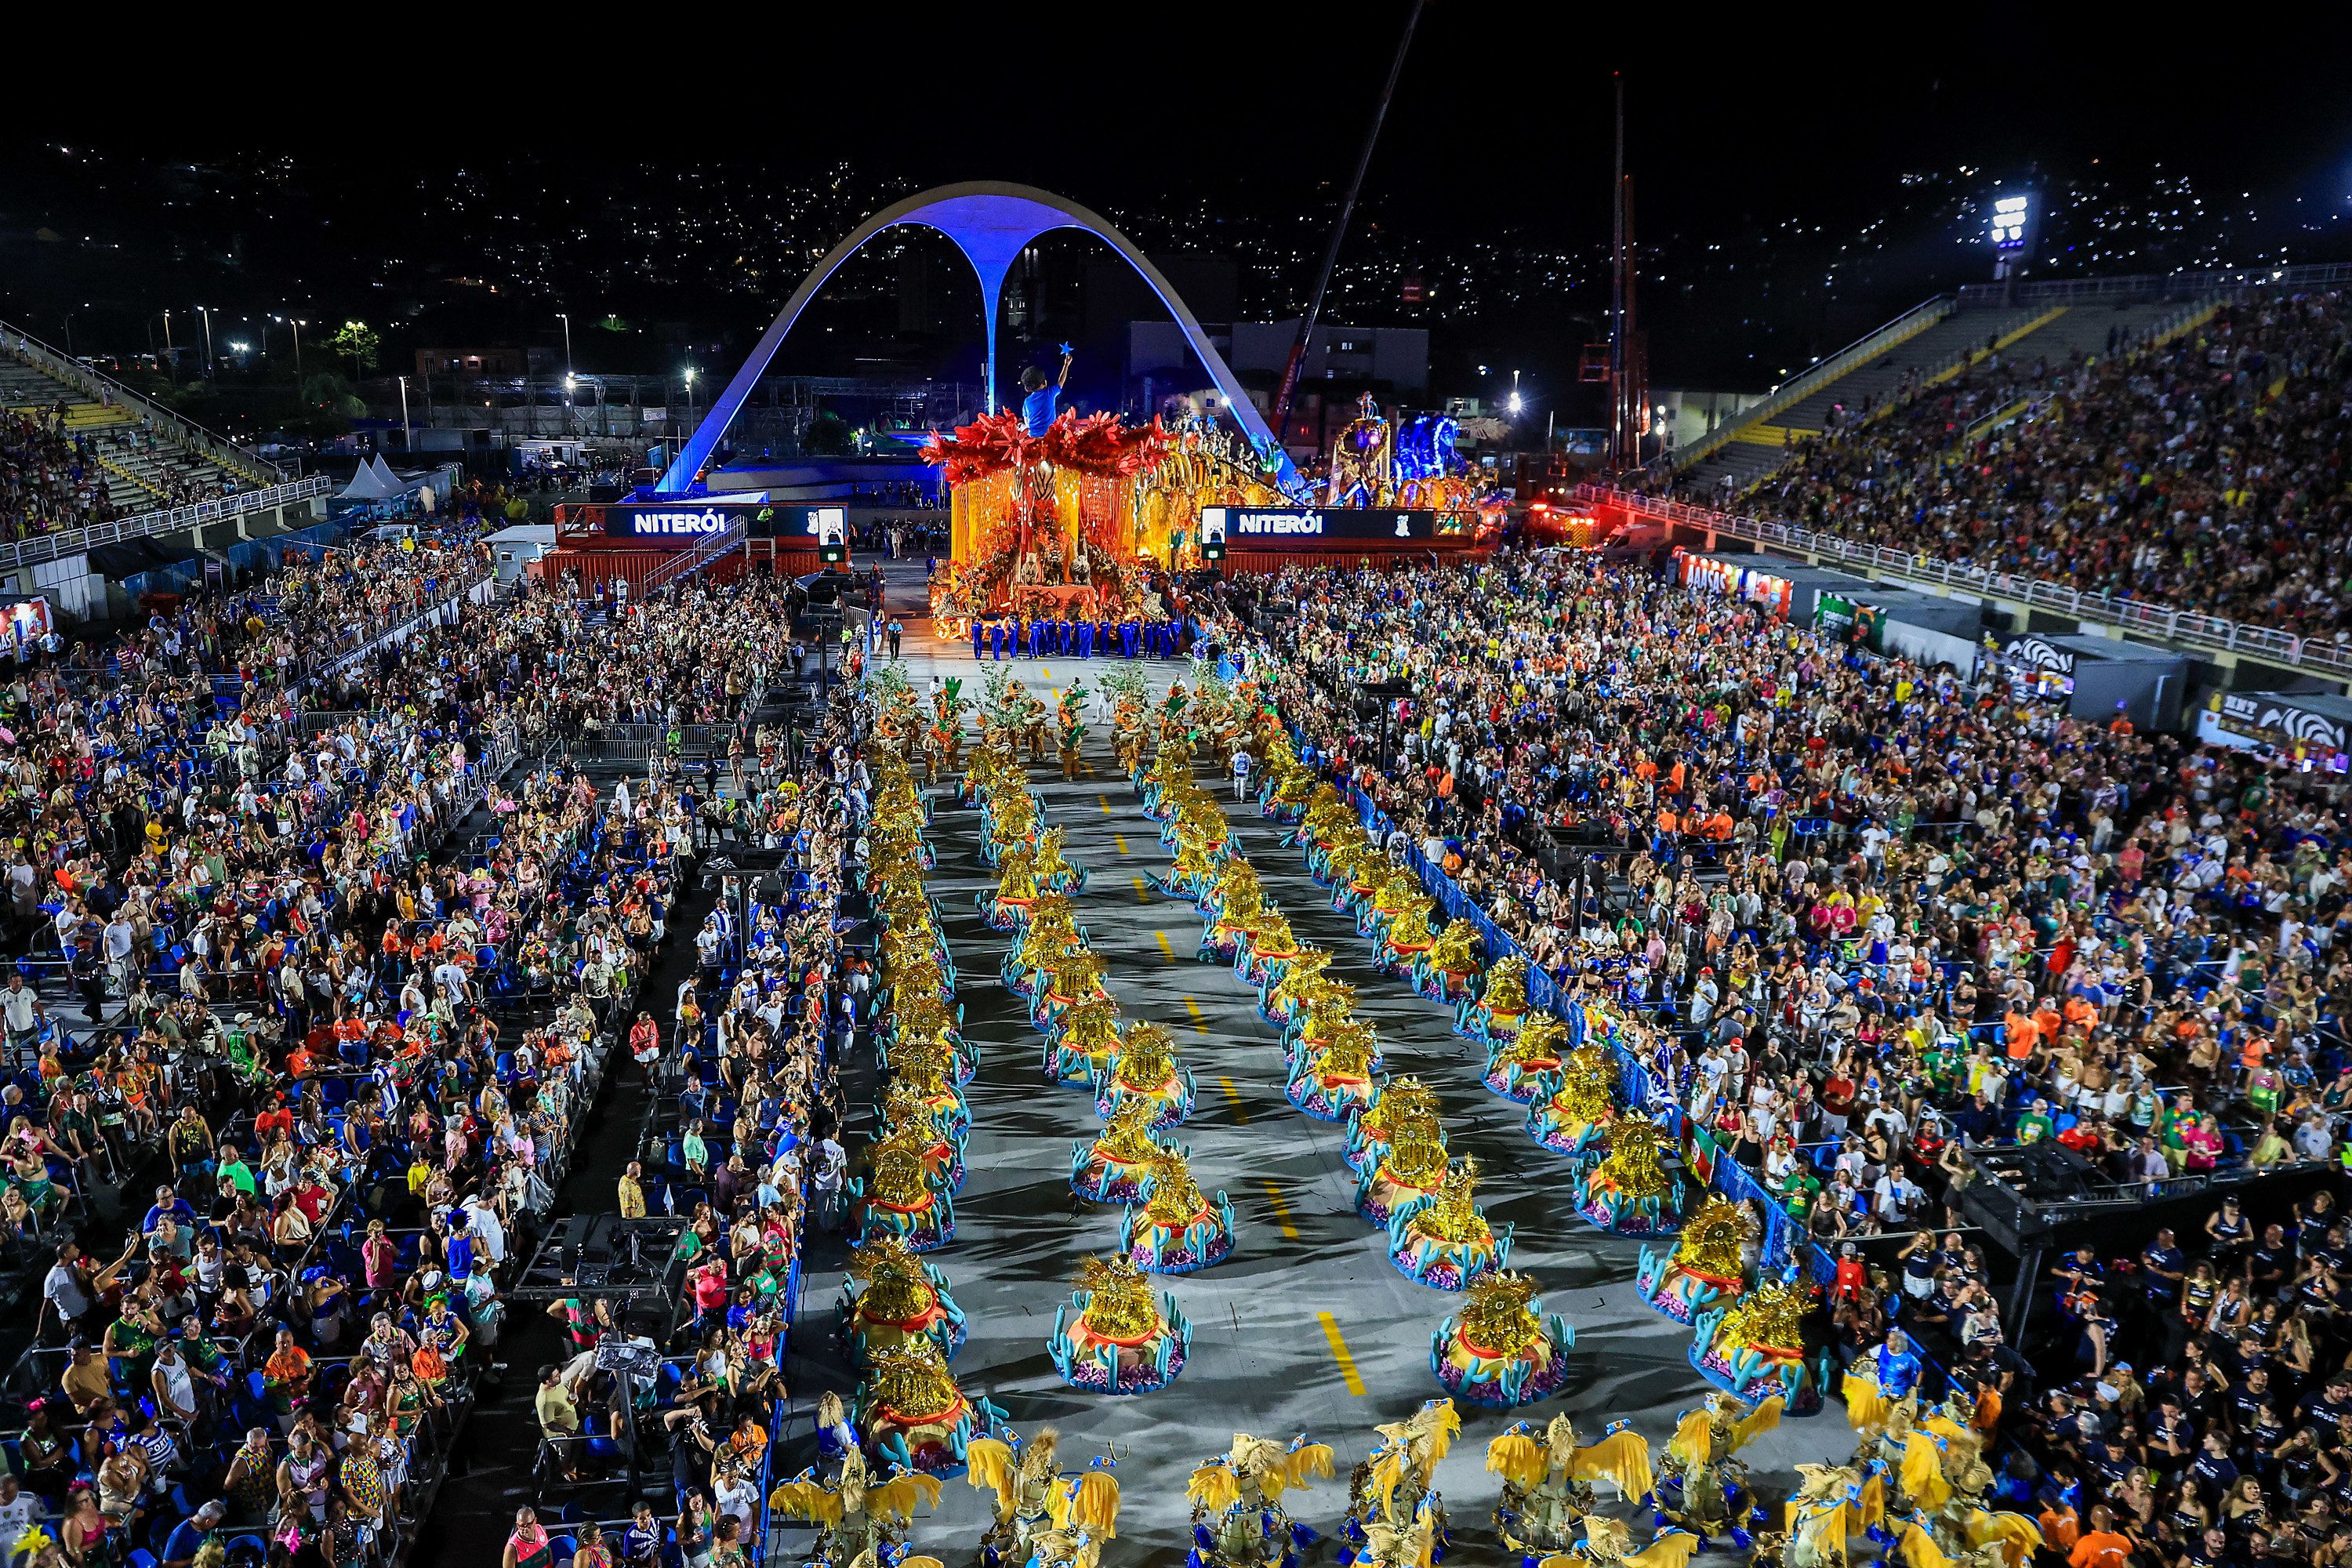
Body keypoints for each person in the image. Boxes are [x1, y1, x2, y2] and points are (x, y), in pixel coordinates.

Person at [1020, 349, 1073, 437]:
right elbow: (1061, 382)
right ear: (1044, 383)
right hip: (1049, 437)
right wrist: (1066, 364)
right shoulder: (1049, 393)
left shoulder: (1027, 401)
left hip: (1033, 438)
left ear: (1027, 389)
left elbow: (1027, 422)